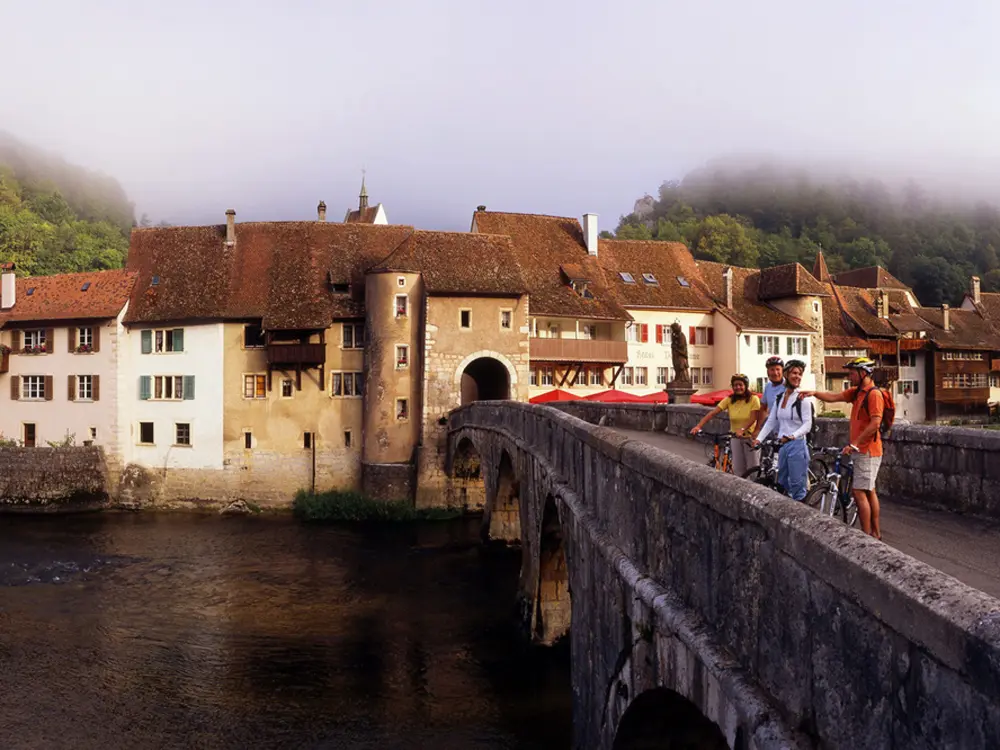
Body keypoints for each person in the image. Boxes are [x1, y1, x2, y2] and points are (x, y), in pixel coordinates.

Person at [798, 357, 883, 540]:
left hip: (867, 450)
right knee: (869, 490)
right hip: (861, 450)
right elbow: (834, 397)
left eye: (852, 373)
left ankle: (867, 535)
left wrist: (855, 443)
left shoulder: (873, 394)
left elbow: (875, 423)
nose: (849, 376)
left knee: (859, 492)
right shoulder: (857, 392)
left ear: (863, 373)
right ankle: (875, 533)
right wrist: (814, 393)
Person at [752, 359, 813, 501]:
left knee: (797, 486)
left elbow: (807, 425)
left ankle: (800, 513)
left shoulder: (802, 399)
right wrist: (759, 439)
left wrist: (792, 436)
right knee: (782, 483)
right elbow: (771, 421)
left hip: (797, 444)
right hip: (782, 445)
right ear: (786, 375)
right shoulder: (780, 398)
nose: (797, 376)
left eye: (799, 374)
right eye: (794, 373)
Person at [689, 374, 761, 476]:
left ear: (746, 386)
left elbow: (753, 418)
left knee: (752, 469)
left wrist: (742, 429)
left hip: (750, 438)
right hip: (735, 438)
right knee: (738, 470)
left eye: (740, 385)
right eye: (735, 385)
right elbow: (713, 413)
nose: (738, 387)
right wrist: (698, 426)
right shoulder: (729, 400)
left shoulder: (753, 399)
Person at [752, 356, 786, 443]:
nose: (775, 373)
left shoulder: (788, 386)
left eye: (778, 369)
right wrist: (758, 429)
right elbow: (763, 409)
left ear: (782, 370)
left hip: (788, 433)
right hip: (773, 431)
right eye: (772, 370)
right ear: (768, 372)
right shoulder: (768, 386)